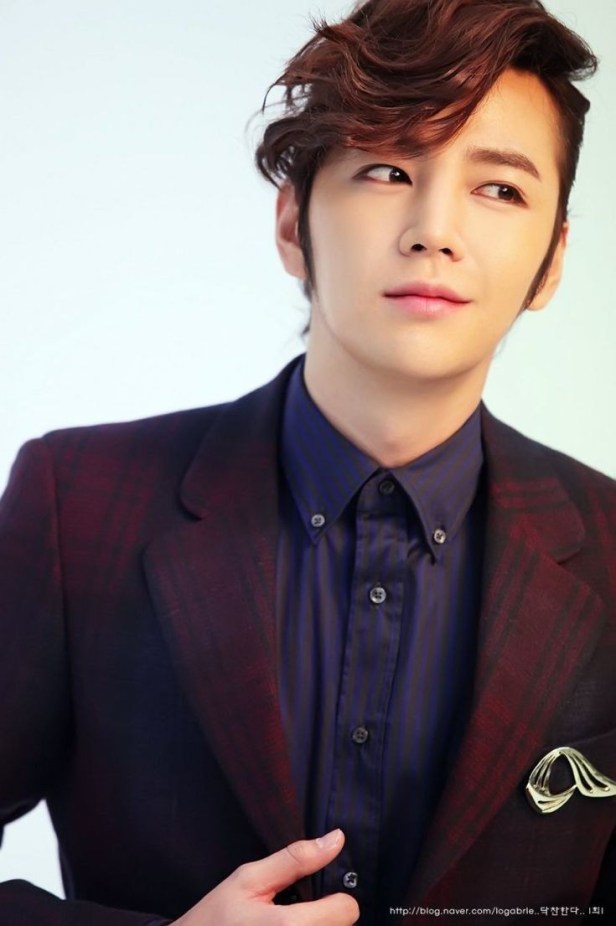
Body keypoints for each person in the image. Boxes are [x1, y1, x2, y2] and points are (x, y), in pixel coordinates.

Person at [0, 0, 614, 923]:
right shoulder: (74, 504)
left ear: (553, 261)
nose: (434, 230)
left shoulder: (610, 547)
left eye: (499, 189)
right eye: (387, 169)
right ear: (293, 223)